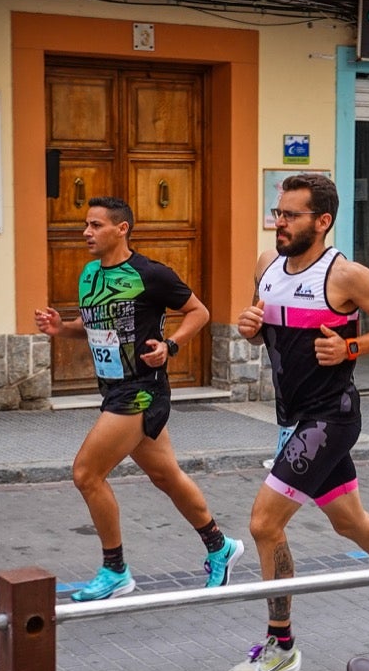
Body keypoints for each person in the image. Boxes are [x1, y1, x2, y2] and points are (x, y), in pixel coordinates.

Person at [228, 173, 369, 671]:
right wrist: (251, 328)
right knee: (350, 522)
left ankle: (281, 646)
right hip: (294, 420)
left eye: (289, 215)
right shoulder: (266, 265)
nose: (278, 223)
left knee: (264, 524)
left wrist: (352, 348)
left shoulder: (345, 276)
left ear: (322, 221)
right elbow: (266, 329)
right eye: (277, 213)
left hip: (331, 418)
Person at [32, 196, 244, 602]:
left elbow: (199, 311)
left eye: (95, 225)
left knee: (86, 474)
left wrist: (172, 346)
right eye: (86, 225)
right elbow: (93, 327)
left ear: (121, 228)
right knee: (166, 476)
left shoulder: (150, 274)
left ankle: (115, 570)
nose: (86, 233)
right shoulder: (90, 274)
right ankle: (220, 546)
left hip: (141, 389)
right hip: (113, 388)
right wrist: (62, 328)